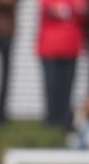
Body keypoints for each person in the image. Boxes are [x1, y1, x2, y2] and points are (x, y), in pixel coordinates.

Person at [37, 0, 86, 129]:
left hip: (71, 47)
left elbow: (82, 9)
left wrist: (70, 10)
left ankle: (65, 121)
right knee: (52, 87)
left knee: (67, 87)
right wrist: (71, 10)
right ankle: (52, 121)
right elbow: (54, 9)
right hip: (50, 48)